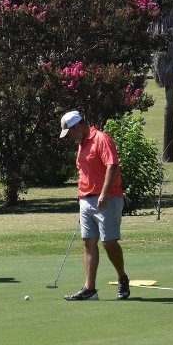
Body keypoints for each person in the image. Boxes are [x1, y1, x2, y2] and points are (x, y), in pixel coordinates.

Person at [59, 110, 130, 301]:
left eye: (70, 133)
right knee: (88, 242)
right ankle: (89, 289)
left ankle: (122, 278)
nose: (70, 138)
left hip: (107, 198)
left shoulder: (101, 139)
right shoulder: (81, 145)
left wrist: (104, 194)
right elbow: (84, 173)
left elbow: (112, 166)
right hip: (86, 200)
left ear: (77, 126)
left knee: (108, 242)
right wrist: (81, 197)